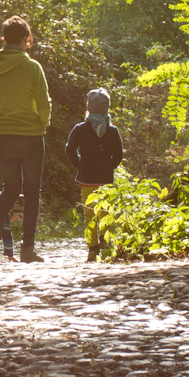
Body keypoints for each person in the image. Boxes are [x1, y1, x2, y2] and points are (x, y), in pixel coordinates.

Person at [0, 15, 51, 263]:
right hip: (31, 136)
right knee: (32, 191)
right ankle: (27, 249)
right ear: (24, 39)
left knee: (10, 188)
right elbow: (43, 103)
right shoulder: (32, 67)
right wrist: (43, 122)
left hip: (4, 134)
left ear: (4, 39)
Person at [65, 87, 124, 262]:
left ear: (89, 107)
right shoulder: (112, 131)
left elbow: (69, 149)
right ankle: (105, 246)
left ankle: (92, 249)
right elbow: (119, 154)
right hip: (105, 179)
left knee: (90, 213)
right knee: (105, 212)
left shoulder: (80, 128)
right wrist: (110, 166)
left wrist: (79, 165)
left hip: (86, 178)